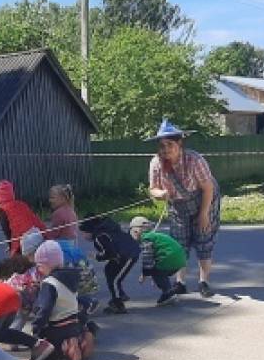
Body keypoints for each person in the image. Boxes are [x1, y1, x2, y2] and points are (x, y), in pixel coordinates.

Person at [146, 118, 221, 297]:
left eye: (169, 144)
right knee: (180, 244)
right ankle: (180, 283)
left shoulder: (194, 160)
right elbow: (153, 189)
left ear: (179, 143)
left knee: (203, 240)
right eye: (162, 145)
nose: (165, 149)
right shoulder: (156, 163)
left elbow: (208, 187)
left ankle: (204, 281)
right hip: (177, 205)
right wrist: (160, 194)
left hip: (203, 199)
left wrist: (204, 214)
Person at [29, 241, 96, 360]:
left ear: (47, 265)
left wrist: (36, 328)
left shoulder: (49, 283)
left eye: (39, 266)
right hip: (75, 323)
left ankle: (64, 348)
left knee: (45, 354)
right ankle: (81, 339)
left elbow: (44, 308)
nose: (38, 269)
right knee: (72, 331)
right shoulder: (70, 278)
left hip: (57, 326)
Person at [79, 216, 142, 315]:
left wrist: (97, 257)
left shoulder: (99, 238)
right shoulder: (105, 229)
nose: (83, 236)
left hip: (128, 255)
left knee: (115, 280)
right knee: (109, 270)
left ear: (89, 231)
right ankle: (119, 294)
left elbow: (110, 253)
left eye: (83, 233)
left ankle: (119, 305)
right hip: (122, 253)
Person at [129, 216, 188, 306]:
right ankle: (168, 288)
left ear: (136, 232)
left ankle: (168, 293)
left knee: (155, 271)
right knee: (159, 271)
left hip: (170, 258)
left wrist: (145, 274)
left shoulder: (146, 239)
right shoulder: (154, 236)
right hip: (180, 259)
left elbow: (147, 259)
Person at [0, 180, 45, 256]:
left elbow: (8, 233)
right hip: (37, 235)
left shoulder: (3, 210)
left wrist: (12, 249)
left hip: (25, 241)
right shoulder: (21, 204)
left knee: (19, 264)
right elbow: (35, 220)